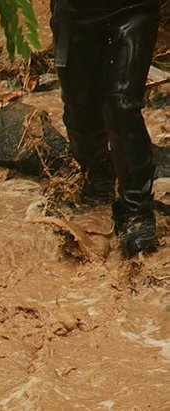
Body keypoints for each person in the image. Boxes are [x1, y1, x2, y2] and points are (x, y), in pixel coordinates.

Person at [50, 0, 161, 258]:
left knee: (122, 105)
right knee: (81, 109)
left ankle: (136, 210)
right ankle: (97, 174)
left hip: (134, 7)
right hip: (73, 11)